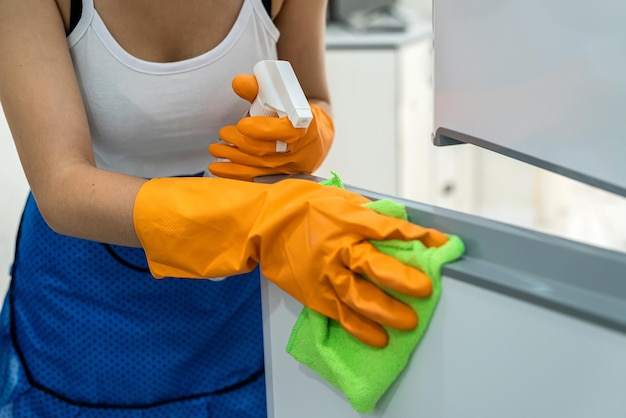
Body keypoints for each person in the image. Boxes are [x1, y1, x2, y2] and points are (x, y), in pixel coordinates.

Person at [0, 0, 448, 416]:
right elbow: (62, 185)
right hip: (86, 283)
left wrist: (306, 134)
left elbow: (312, 94)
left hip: (236, 283)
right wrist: (258, 219)